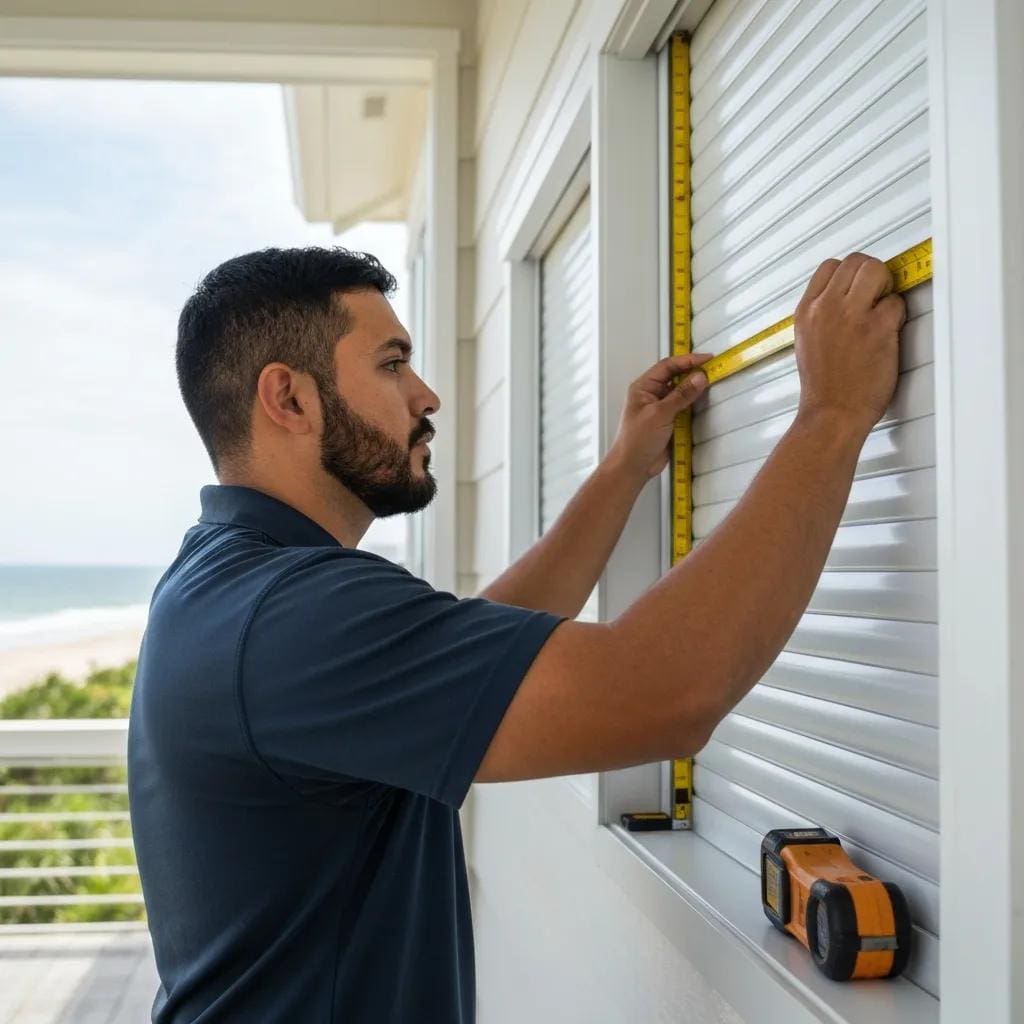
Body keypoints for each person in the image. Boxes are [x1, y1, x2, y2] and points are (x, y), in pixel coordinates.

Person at [127, 246, 904, 1022]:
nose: (426, 395)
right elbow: (664, 693)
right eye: (393, 364)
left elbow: (485, 662)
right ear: (289, 399)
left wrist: (625, 470)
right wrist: (831, 416)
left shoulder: (232, 585)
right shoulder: (288, 616)